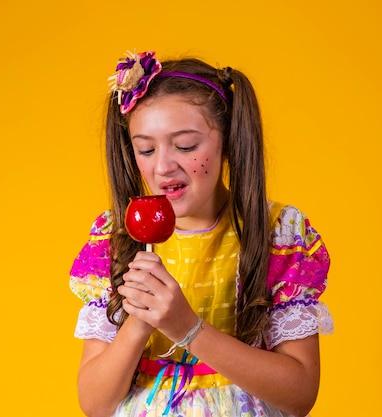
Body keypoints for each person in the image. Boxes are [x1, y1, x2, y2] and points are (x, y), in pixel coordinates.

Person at [69, 50, 334, 417]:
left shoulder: (277, 233)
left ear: (227, 142)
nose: (162, 166)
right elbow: (94, 404)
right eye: (145, 149)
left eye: (186, 145)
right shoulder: (115, 238)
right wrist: (141, 321)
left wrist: (188, 328)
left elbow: (300, 394)